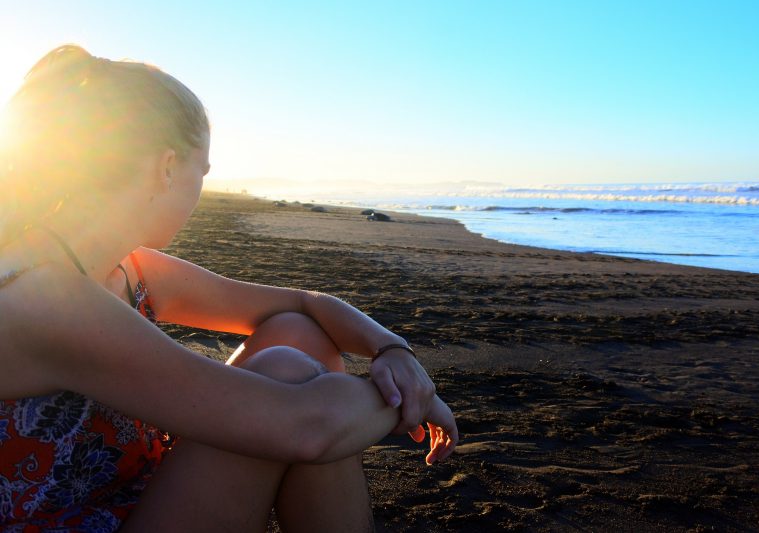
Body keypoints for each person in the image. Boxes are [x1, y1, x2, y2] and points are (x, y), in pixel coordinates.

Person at [0, 45, 458, 532]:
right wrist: (414, 399)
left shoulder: (126, 268)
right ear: (168, 166)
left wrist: (394, 350)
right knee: (288, 380)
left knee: (293, 334)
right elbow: (308, 428)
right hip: (76, 521)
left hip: (132, 492)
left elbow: (305, 304)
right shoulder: (45, 298)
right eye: (204, 170)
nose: (199, 187)